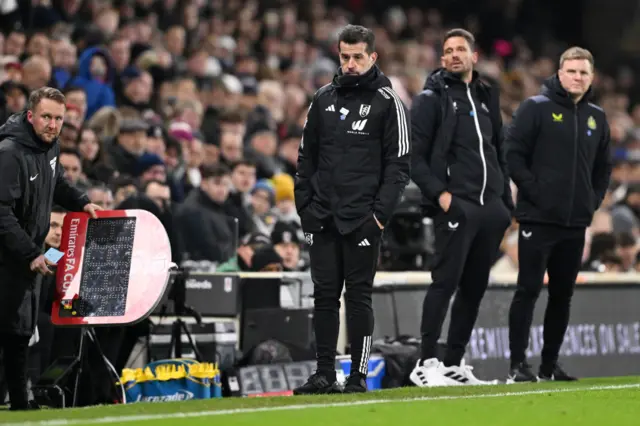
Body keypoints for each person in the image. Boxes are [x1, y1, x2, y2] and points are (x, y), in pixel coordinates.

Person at [293, 24, 410, 394]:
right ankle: (324, 373)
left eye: (358, 56)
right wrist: (305, 209)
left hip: (362, 219)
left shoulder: (388, 102)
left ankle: (357, 377)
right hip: (322, 217)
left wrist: (378, 217)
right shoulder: (322, 99)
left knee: (358, 297)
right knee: (324, 297)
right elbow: (305, 159)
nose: (351, 63)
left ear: (372, 57)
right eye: (345, 56)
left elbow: (399, 165)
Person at [409, 29, 512, 387]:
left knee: (473, 289)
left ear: (474, 56)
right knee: (445, 283)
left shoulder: (487, 97)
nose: (454, 55)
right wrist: (442, 196)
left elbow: (499, 151)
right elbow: (413, 157)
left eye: (460, 50)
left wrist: (506, 206)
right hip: (456, 205)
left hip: (490, 209)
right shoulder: (429, 100)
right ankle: (426, 362)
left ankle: (453, 363)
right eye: (448, 51)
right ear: (441, 60)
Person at [505, 47, 612, 383]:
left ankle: (549, 365)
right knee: (528, 290)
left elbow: (603, 168)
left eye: (584, 73)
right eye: (572, 71)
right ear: (559, 73)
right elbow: (512, 155)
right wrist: (535, 194)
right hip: (537, 219)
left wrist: (591, 202)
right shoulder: (535, 108)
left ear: (591, 77)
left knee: (562, 296)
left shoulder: (597, 117)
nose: (577, 77)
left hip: (575, 223)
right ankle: (518, 365)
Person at [0, 87, 102, 411]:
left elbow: (57, 182)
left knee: (19, 336)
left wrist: (82, 202)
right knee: (7, 335)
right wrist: (30, 253)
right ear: (30, 116)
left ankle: (19, 404)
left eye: (58, 118)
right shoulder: (10, 153)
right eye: (46, 117)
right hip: (8, 258)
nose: (53, 124)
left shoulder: (50, 147)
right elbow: (0, 211)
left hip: (30, 259)